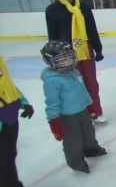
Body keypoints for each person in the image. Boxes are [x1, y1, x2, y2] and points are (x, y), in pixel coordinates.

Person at [45, 0, 106, 124]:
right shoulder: (52, 10)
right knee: (74, 86)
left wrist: (98, 49)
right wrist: (54, 57)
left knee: (91, 83)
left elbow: (92, 29)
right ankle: (82, 115)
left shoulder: (83, 7)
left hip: (85, 50)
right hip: (66, 55)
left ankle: (95, 112)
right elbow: (52, 35)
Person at [41, 41, 107, 174]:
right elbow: (52, 103)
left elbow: (82, 90)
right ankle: (76, 161)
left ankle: (91, 148)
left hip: (82, 110)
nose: (69, 61)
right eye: (63, 59)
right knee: (73, 140)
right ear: (51, 62)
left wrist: (90, 107)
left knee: (89, 132)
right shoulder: (52, 81)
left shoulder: (73, 72)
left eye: (70, 57)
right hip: (68, 117)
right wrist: (54, 122)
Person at [0, 56, 35, 187]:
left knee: (10, 155)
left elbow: (8, 86)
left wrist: (24, 103)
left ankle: (13, 186)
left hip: (10, 117)